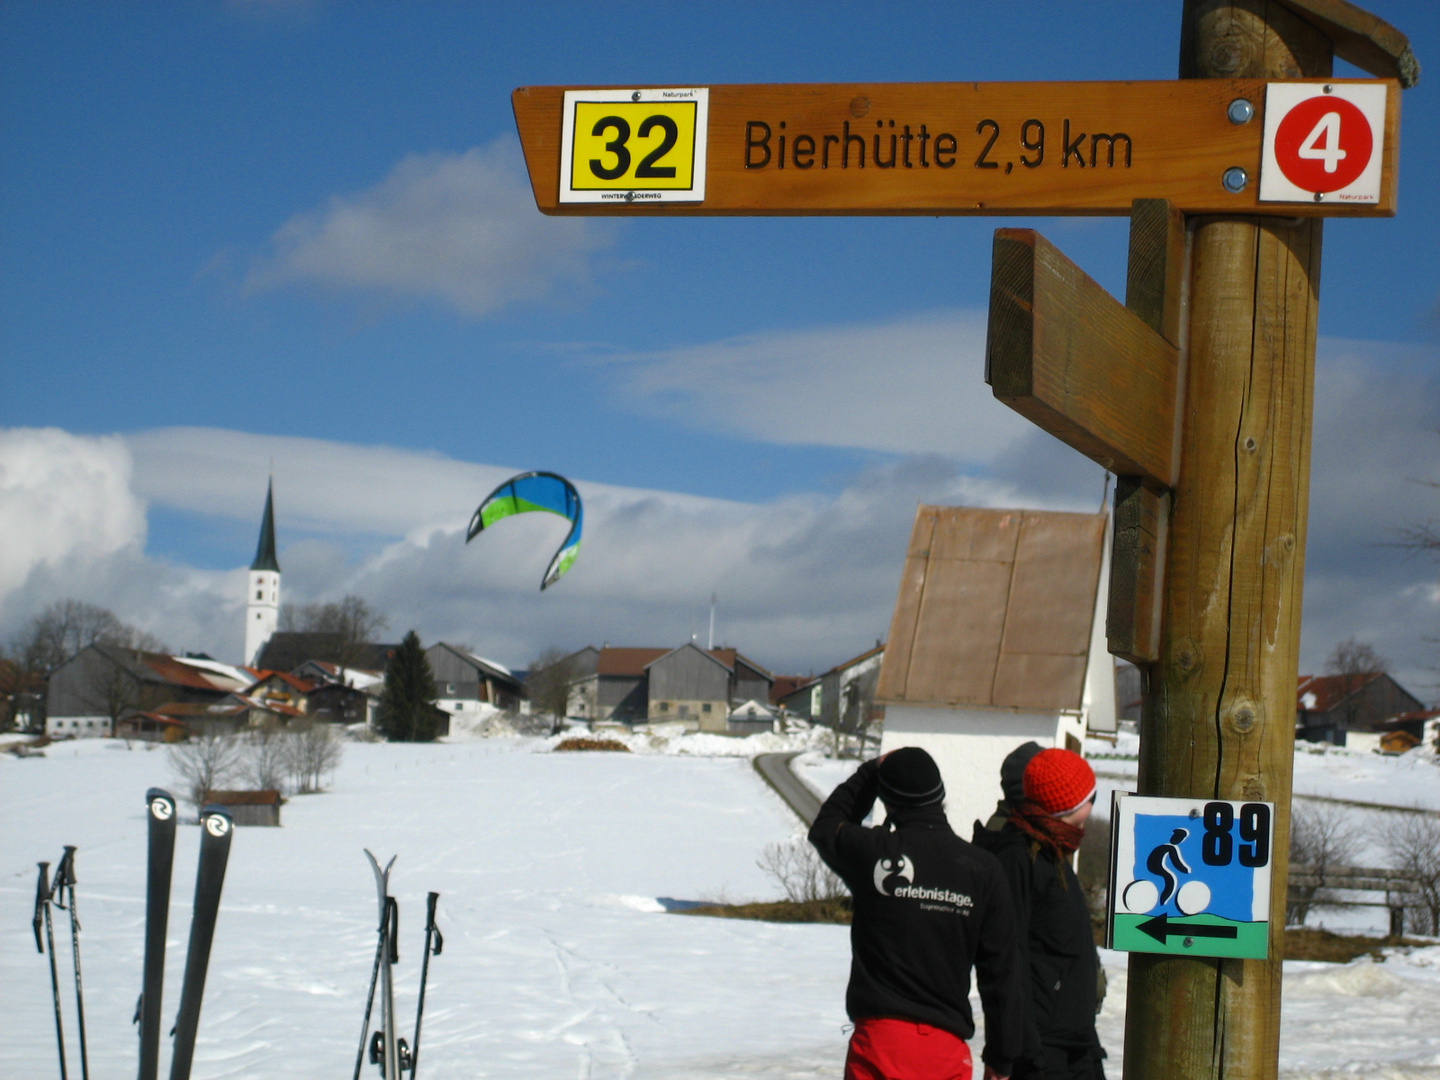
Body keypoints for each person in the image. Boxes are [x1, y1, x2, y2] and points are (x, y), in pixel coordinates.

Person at [809, 747, 1024, 1080]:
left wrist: (870, 773)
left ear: (889, 803)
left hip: (880, 1044)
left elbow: (826, 828)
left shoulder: (875, 854)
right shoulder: (983, 870)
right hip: (945, 1053)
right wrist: (1002, 1057)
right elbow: (1002, 972)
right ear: (940, 796)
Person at [972, 747, 1107, 1080]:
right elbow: (1005, 960)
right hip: (1042, 1053)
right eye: (1091, 796)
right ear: (1069, 806)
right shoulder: (1020, 856)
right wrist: (1011, 1052)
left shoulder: (1050, 847)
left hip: (1076, 1042)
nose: (1093, 806)